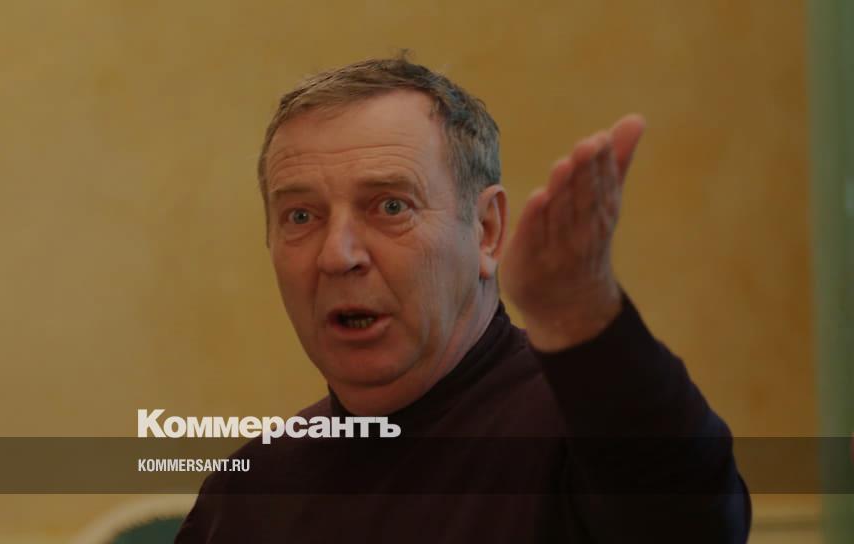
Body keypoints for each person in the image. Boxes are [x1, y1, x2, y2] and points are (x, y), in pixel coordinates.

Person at [176, 55, 751, 543]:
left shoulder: (581, 432)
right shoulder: (249, 491)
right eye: (301, 216)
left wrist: (579, 312)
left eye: (391, 206)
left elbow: (691, 518)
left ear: (486, 231)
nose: (337, 254)